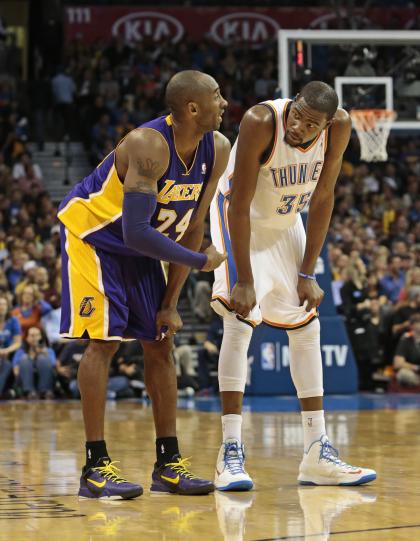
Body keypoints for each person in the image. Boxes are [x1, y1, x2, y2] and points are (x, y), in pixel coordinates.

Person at [57, 70, 230, 499]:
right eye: (217, 95)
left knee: (160, 341)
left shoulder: (219, 148)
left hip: (144, 248)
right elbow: (135, 231)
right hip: (96, 237)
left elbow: (191, 228)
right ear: (192, 108)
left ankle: (168, 464)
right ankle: (95, 467)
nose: (225, 102)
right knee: (104, 343)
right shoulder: (147, 144)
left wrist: (171, 303)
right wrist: (199, 262)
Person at [210, 81, 376, 490]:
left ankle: (316, 452)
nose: (298, 126)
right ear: (292, 103)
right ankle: (229, 452)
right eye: (297, 115)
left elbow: (322, 199)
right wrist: (244, 278)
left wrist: (307, 272)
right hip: (239, 219)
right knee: (240, 319)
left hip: (286, 223)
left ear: (326, 124)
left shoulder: (339, 127)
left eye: (310, 123)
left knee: (308, 326)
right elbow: (240, 202)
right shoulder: (261, 121)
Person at [12, 326, 56, 399]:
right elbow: (16, 372)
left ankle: (45, 391)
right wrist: (31, 356)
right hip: (26, 381)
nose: (35, 338)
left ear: (41, 337)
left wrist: (43, 353)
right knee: (25, 359)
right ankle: (30, 392)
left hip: (45, 380)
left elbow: (53, 368)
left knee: (43, 359)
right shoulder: (20, 352)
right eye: (32, 335)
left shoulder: (48, 351)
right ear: (27, 338)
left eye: (37, 335)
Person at [393, 313, 420, 387]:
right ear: (412, 326)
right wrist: (416, 368)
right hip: (412, 372)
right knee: (403, 374)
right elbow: (398, 364)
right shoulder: (405, 339)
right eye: (418, 322)